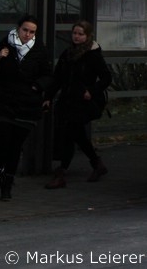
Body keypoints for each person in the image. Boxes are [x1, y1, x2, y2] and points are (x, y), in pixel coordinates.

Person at [43, 20, 112, 189]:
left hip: (82, 102)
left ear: (88, 36)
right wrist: (48, 96)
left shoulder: (93, 55)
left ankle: (61, 172)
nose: (77, 37)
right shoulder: (68, 54)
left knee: (69, 134)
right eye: (75, 33)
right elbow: (58, 78)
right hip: (67, 100)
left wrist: (92, 91)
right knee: (77, 135)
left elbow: (106, 77)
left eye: (81, 34)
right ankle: (97, 164)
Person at [0, 14, 53, 201]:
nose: (28, 34)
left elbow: (47, 74)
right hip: (5, 103)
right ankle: (2, 179)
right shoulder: (5, 45)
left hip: (26, 107)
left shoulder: (39, 50)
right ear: (18, 29)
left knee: (14, 147)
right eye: (25, 30)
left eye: (32, 32)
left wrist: (38, 86)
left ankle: (7, 186)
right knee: (3, 143)